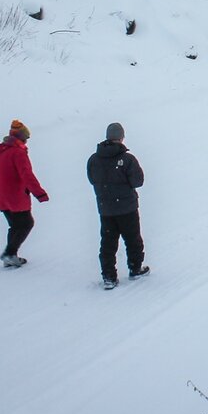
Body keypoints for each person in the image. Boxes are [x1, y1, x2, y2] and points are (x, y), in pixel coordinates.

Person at [87, 122, 148, 290]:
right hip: (127, 208)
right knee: (133, 239)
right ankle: (135, 268)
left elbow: (92, 179)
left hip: (106, 209)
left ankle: (109, 276)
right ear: (121, 137)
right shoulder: (127, 159)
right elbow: (138, 181)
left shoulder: (94, 159)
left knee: (107, 243)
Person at [0, 119, 49, 268]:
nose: (27, 141)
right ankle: (10, 253)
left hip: (0, 196)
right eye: (27, 138)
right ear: (21, 137)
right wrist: (40, 194)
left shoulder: (0, 150)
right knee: (26, 223)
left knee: (15, 225)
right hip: (14, 196)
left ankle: (10, 256)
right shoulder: (18, 153)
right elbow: (27, 175)